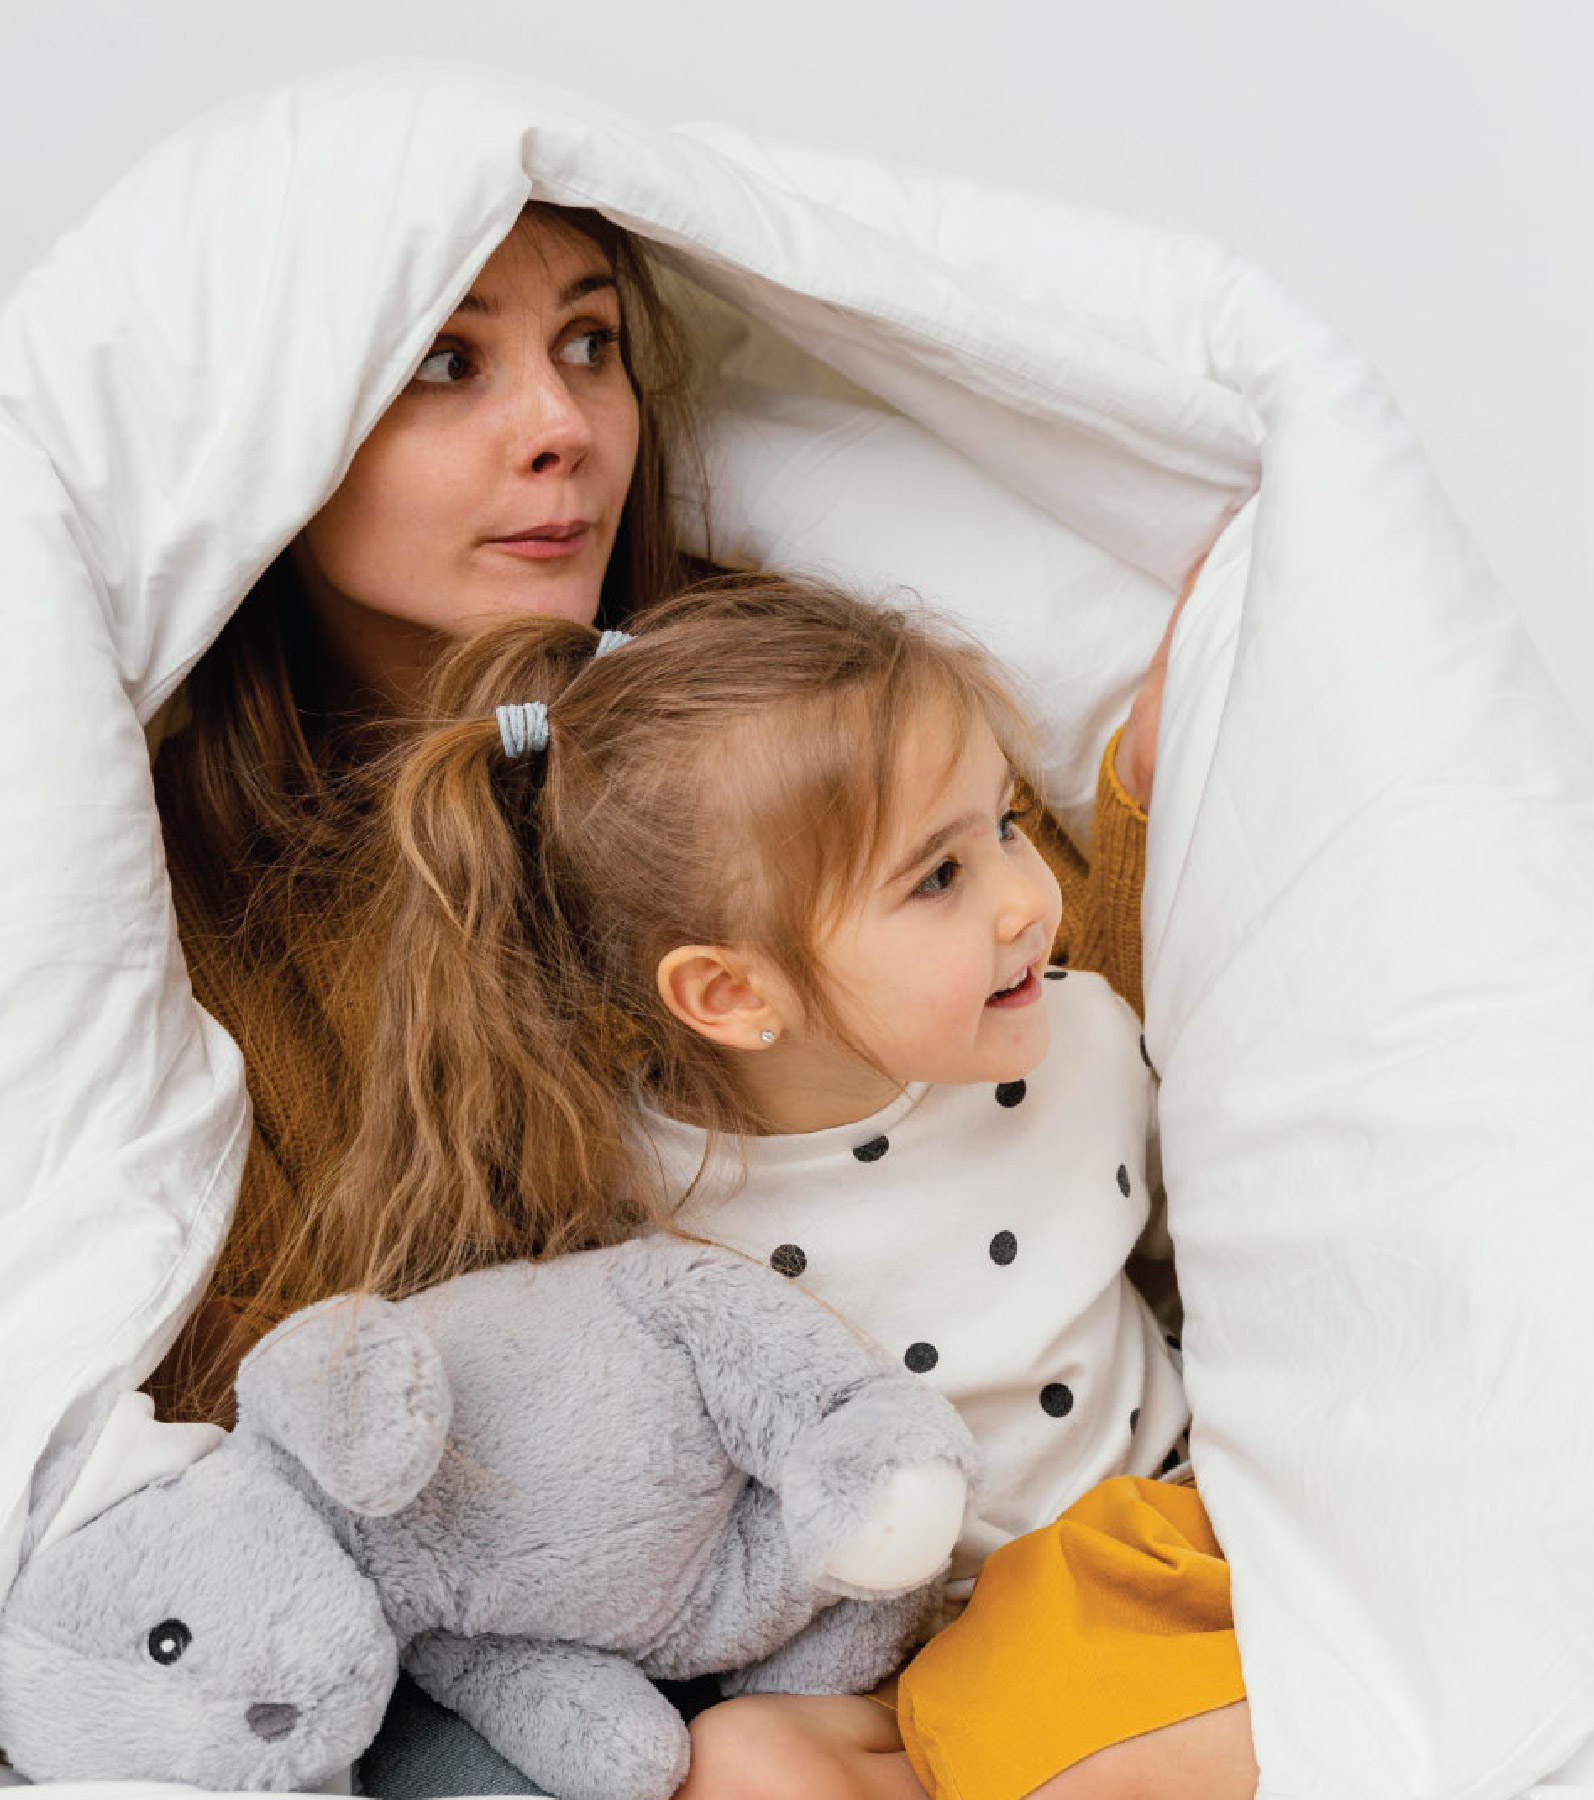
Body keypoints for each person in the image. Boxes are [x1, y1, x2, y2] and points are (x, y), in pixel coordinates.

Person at [144, 201, 1222, 1795]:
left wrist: (1170, 759)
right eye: (445, 364)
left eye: (591, 343)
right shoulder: (203, 901)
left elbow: (1047, 1020)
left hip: (1017, 1568)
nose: (562, 430)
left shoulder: (763, 697)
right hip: (627, 1633)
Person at [339, 572, 1255, 1800]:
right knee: (733, 1763)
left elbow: (1226, 1251)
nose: (1028, 902)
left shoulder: (1085, 1042)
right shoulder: (630, 1192)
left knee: (1119, 1748)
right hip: (876, 1656)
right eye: (940, 879)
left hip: (1134, 1566)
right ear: (733, 995)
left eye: (1008, 828)